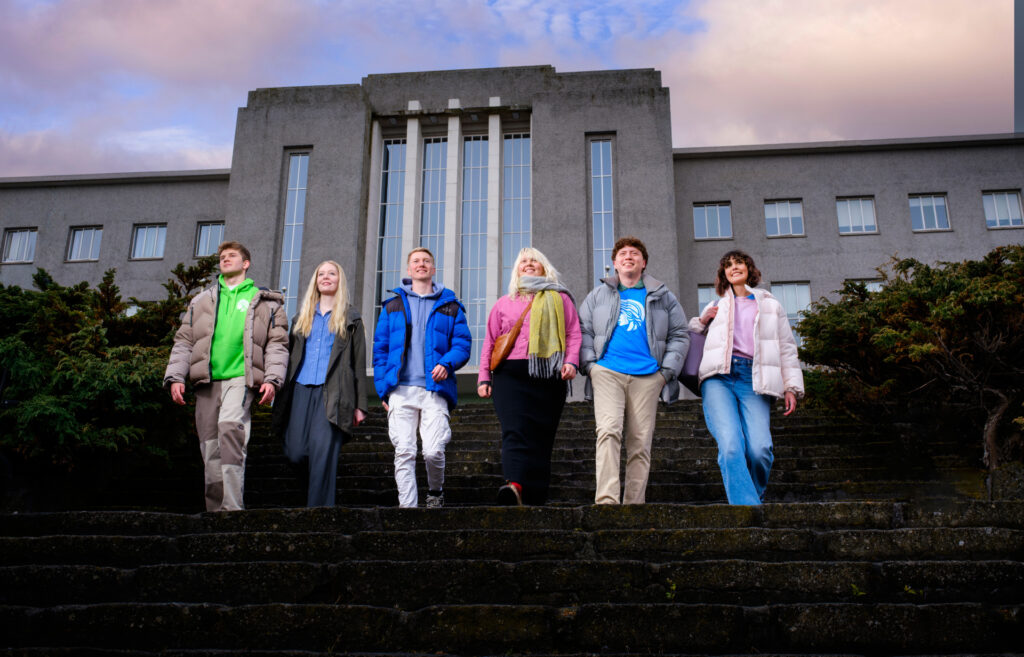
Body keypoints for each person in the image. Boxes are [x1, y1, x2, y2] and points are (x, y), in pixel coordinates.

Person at [164, 241, 288, 512]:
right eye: (222, 257)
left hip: (240, 378)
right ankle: (215, 512)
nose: (225, 259)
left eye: (232, 256)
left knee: (230, 429)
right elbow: (184, 341)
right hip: (206, 381)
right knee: (210, 447)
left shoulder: (266, 303)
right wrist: (175, 376)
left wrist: (272, 379)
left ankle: (232, 509)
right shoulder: (201, 301)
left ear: (246, 264)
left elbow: (277, 345)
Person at [579, 236, 689, 505]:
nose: (628, 257)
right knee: (608, 431)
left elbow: (680, 334)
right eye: (623, 254)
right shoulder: (598, 295)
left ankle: (634, 505)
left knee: (640, 441)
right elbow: (583, 331)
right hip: (607, 372)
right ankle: (607, 501)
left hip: (649, 376)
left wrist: (666, 372)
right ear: (615, 263)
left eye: (634, 253)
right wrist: (591, 366)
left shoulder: (663, 295)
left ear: (644, 263)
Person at [690, 249, 804, 505]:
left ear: (748, 268)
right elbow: (692, 335)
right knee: (731, 446)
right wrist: (702, 321)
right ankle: (747, 509)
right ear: (724, 274)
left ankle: (752, 498)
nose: (734, 267)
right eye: (728, 265)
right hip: (718, 378)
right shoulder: (716, 305)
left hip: (754, 378)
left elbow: (786, 347)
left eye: (739, 263)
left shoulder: (771, 305)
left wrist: (791, 387)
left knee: (760, 450)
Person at [477, 247, 582, 505]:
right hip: (510, 376)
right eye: (523, 261)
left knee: (542, 436)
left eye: (534, 260)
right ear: (517, 269)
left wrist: (571, 362)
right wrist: (484, 377)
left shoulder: (561, 299)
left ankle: (535, 495)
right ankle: (514, 485)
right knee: (514, 431)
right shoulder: (504, 302)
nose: (529, 264)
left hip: (549, 376)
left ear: (544, 267)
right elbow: (490, 341)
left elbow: (573, 333)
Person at [373, 247, 472, 508]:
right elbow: (380, 350)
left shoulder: (450, 306)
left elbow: (462, 344)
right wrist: (383, 389)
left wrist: (447, 363)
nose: (421, 264)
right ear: (409, 269)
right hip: (400, 389)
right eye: (416, 261)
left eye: (426, 261)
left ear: (433, 269)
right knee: (404, 451)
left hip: (435, 388)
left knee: (433, 450)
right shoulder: (392, 306)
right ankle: (408, 508)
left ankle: (435, 492)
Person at [272, 261, 369, 507]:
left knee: (323, 455)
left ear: (339, 280)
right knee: (295, 452)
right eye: (321, 274)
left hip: (334, 393)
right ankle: (312, 495)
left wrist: (360, 405)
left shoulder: (351, 318)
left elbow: (358, 363)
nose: (326, 277)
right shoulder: (301, 318)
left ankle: (319, 515)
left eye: (332, 273)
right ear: (315, 281)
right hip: (300, 390)